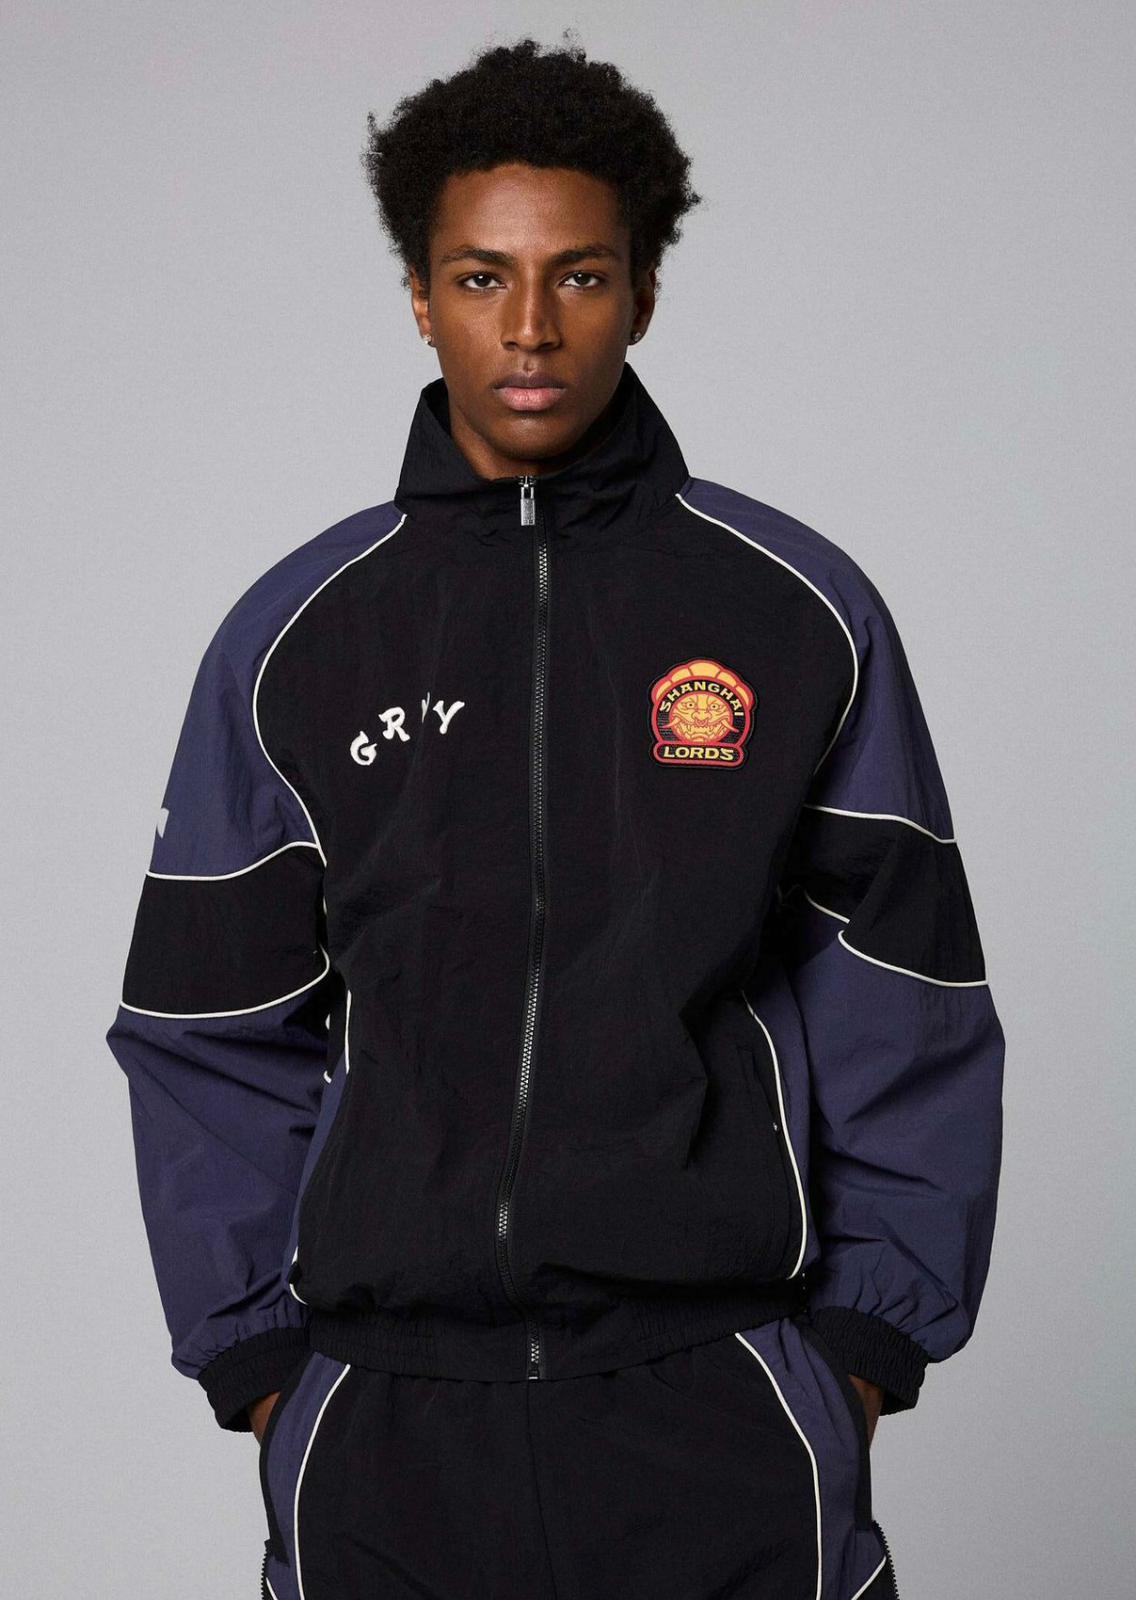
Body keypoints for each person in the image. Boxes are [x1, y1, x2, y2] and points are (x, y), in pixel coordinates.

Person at [105, 33, 1004, 1600]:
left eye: (579, 276)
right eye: (481, 277)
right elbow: (205, 1022)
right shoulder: (300, 638)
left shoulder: (796, 613)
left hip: (718, 1400)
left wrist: (863, 1349)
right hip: (388, 1423)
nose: (530, 327)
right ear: (419, 295)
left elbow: (906, 992)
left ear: (642, 294)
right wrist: (260, 1367)